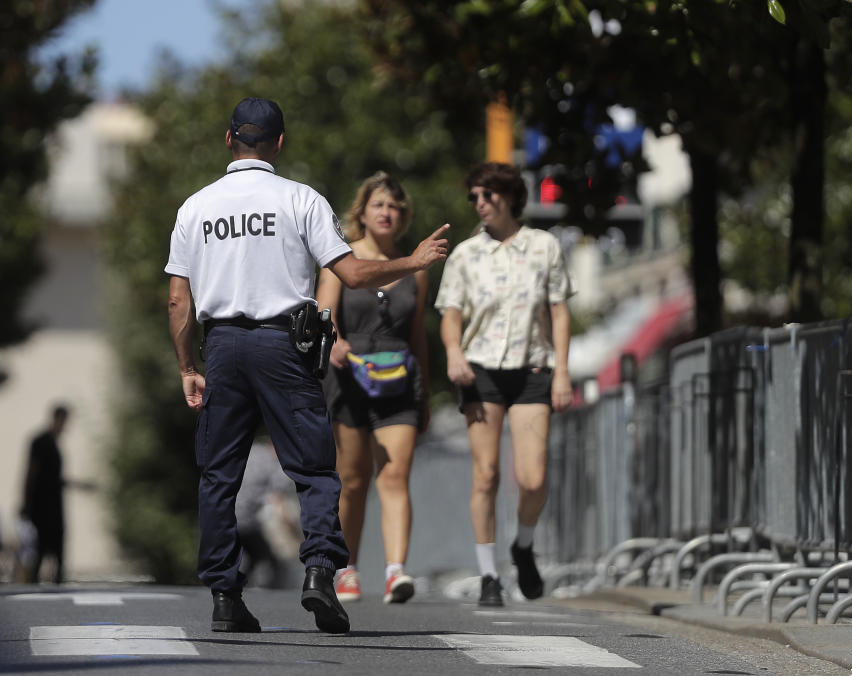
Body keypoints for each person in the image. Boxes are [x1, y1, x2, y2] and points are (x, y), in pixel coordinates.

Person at [164, 97, 449, 633]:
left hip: (223, 347)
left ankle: (225, 594)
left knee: (219, 475)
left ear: (229, 141)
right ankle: (320, 572)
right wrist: (414, 260)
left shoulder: (195, 208)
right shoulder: (301, 200)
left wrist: (187, 366)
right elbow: (354, 274)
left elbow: (179, 300)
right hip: (282, 347)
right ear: (280, 142)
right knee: (315, 470)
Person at [435, 161, 574, 606]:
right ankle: (489, 574)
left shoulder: (544, 247)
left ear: (511, 196)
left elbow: (558, 311)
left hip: (533, 367)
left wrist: (563, 371)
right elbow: (450, 314)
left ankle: (524, 545)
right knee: (487, 475)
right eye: (474, 196)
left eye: (488, 195)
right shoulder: (465, 254)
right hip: (482, 370)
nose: (480, 204)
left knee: (532, 479)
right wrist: (454, 354)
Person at [316, 172, 429, 605]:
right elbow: (324, 314)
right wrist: (336, 344)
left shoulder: (413, 268)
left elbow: (418, 332)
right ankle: (346, 569)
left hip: (399, 379)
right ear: (362, 212)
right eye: (379, 204)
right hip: (349, 378)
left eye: (396, 207)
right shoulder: (340, 260)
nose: (388, 212)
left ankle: (396, 571)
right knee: (353, 478)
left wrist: (425, 389)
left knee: (396, 473)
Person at [235, 437, 300, 589]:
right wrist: (296, 534)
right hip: (248, 522)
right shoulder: (277, 466)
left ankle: (240, 584)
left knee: (246, 556)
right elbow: (278, 501)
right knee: (268, 559)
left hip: (228, 515)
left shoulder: (252, 452)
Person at [19, 404, 71, 584]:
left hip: (54, 504)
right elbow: (31, 473)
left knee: (57, 549)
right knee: (39, 549)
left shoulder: (54, 443)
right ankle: (34, 582)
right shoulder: (40, 442)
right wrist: (25, 503)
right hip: (41, 506)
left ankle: (57, 582)